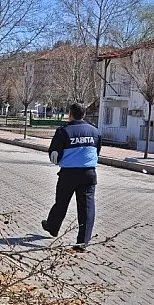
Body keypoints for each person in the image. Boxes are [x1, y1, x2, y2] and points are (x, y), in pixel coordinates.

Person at [42, 103, 102, 252]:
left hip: (68, 174)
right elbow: (97, 151)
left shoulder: (63, 131)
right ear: (84, 114)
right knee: (87, 208)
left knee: (61, 202)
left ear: (70, 114)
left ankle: (52, 227)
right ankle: (82, 242)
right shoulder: (95, 131)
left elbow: (54, 156)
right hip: (89, 173)